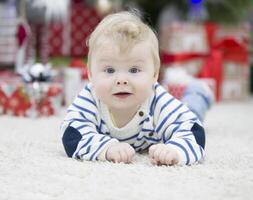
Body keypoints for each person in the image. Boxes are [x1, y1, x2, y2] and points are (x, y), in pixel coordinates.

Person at [61, 11, 213, 166]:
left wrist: (175, 151)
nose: (121, 80)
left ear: (154, 74)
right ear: (91, 74)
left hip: (173, 114)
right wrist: (106, 148)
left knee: (192, 110)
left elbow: (193, 130)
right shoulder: (91, 97)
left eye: (134, 70)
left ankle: (198, 92)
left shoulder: (156, 99)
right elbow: (73, 132)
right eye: (109, 70)